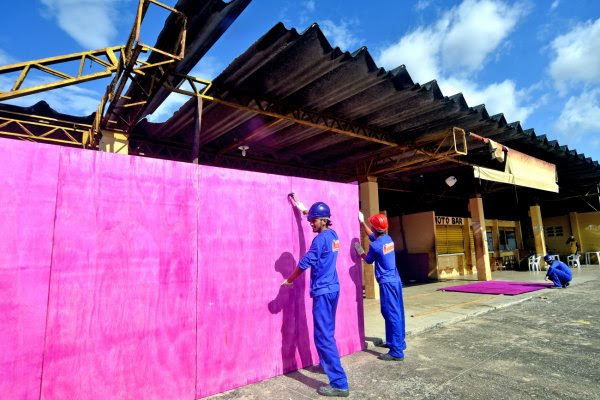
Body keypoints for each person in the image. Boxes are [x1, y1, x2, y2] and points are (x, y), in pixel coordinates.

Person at [282, 196, 349, 397]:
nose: (311, 223)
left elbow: (304, 263)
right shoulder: (333, 235)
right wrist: (304, 209)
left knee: (323, 336)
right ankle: (327, 365)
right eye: (310, 219)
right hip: (333, 289)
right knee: (328, 331)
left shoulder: (319, 240)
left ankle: (339, 383)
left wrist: (289, 280)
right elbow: (317, 218)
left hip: (323, 291)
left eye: (313, 220)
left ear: (324, 220)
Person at [354, 211, 406, 361]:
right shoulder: (388, 239)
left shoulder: (376, 246)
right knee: (397, 312)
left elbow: (369, 260)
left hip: (387, 283)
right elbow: (373, 236)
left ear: (375, 228)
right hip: (395, 281)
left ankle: (396, 352)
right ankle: (398, 342)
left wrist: (360, 251)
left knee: (390, 314)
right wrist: (362, 223)